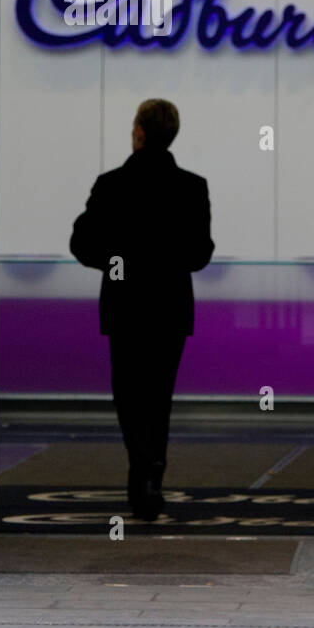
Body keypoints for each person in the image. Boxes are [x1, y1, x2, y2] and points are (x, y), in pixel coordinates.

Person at [69, 98, 214, 522]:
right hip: (169, 306)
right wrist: (165, 262)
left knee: (129, 395)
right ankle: (152, 471)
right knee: (158, 395)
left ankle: (141, 467)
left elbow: (83, 243)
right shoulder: (192, 186)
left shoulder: (112, 184)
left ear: (139, 133)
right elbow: (199, 253)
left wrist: (117, 263)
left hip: (124, 303)